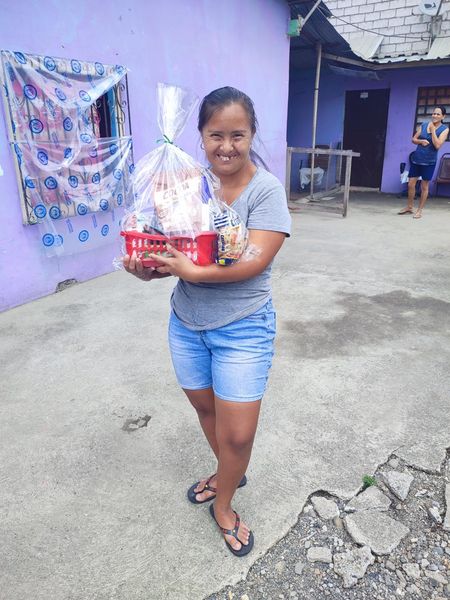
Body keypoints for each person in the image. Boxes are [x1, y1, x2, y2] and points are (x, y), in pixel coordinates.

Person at [123, 87, 291, 557]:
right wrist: (149, 268)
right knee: (207, 412)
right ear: (200, 136)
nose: (227, 146)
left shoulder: (266, 191)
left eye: (238, 135)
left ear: (252, 134)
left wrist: (192, 271)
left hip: (243, 327)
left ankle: (225, 504)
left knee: (238, 433)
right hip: (186, 324)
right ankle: (227, 472)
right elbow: (172, 254)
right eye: (216, 135)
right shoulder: (186, 186)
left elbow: (254, 260)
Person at [398, 105, 449, 219]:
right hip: (417, 159)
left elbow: (437, 145)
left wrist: (433, 131)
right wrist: (420, 141)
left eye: (438, 114)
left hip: (429, 161)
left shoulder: (444, 129)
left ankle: (419, 210)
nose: (434, 115)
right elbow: (413, 139)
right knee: (411, 184)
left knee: (424, 187)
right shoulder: (424, 125)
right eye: (434, 113)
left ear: (443, 117)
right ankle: (409, 207)